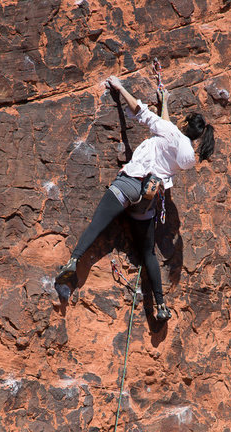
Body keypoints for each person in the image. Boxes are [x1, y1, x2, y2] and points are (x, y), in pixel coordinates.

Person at [55, 75, 215, 320]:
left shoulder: (170, 131)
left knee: (96, 225)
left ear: (184, 122)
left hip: (128, 186)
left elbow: (139, 111)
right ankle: (160, 306)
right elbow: (170, 132)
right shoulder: (189, 157)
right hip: (146, 203)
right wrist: (165, 104)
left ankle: (73, 262)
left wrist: (119, 87)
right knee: (148, 253)